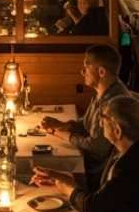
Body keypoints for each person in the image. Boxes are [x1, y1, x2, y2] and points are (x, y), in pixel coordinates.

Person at [41, 45, 132, 183]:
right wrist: (64, 125)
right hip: (90, 163)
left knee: (43, 168)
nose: (82, 71)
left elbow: (97, 148)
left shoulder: (112, 103)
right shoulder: (103, 91)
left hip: (98, 174)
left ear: (101, 72)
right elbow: (85, 124)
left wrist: (66, 135)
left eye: (86, 66)